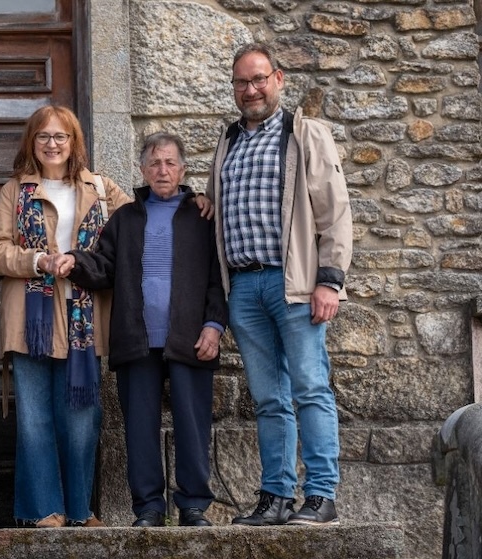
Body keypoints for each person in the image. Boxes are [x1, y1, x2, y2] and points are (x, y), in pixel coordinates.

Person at [206, 43, 352, 526]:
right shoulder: (228, 141)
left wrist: (329, 280)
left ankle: (322, 496)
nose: (250, 90)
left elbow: (335, 211)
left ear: (278, 79)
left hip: (296, 286)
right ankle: (276, 497)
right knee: (268, 399)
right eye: (241, 82)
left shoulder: (305, 133)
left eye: (258, 79)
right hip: (244, 289)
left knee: (310, 388)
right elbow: (218, 207)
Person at [49, 132, 227, 528]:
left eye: (170, 163)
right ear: (143, 170)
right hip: (136, 339)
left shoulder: (202, 217)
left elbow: (219, 277)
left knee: (193, 425)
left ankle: (193, 506)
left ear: (183, 170)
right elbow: (103, 266)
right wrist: (74, 262)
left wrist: (214, 326)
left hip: (191, 337)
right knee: (140, 428)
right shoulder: (126, 218)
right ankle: (148, 508)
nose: (162, 170)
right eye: (154, 163)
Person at [0, 105, 130, 528]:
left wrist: (190, 200)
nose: (52, 144)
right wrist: (39, 261)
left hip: (83, 320)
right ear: (32, 142)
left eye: (60, 136)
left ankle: (80, 510)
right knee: (35, 420)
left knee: (82, 420)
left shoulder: (101, 188)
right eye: (44, 136)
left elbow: (140, 220)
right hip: (31, 320)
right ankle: (44, 509)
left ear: (74, 142)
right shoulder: (15, 191)